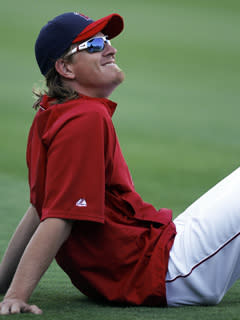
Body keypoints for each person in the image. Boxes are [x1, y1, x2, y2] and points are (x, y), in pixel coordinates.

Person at [0, 11, 239, 316]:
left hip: (154, 258)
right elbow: (57, 216)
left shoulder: (53, 114)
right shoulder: (85, 119)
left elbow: (39, 208)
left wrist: (4, 282)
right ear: (65, 68)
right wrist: (17, 295)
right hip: (166, 274)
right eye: (96, 43)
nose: (111, 48)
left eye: (108, 40)